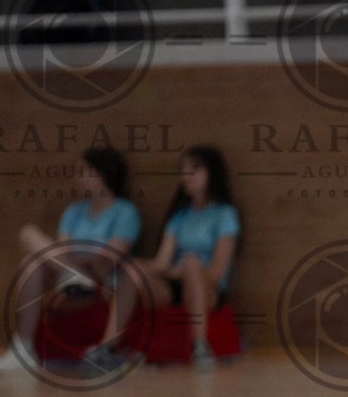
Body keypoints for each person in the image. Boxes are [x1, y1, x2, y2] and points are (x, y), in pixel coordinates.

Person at [87, 144, 238, 372]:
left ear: (212, 173)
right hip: (174, 283)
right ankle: (108, 347)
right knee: (134, 269)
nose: (186, 175)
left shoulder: (224, 215)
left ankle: (200, 347)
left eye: (195, 169)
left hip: (207, 286)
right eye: (183, 170)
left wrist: (187, 268)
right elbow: (162, 263)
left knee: (190, 261)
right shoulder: (179, 216)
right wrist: (138, 266)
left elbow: (217, 272)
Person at [0, 148, 140, 372]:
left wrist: (79, 258)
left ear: (103, 174)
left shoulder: (125, 211)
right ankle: (24, 348)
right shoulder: (74, 211)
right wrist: (70, 261)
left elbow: (111, 255)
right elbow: (63, 248)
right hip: (68, 274)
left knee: (47, 258)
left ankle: (73, 275)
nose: (78, 178)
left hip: (101, 277)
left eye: (83, 172)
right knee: (29, 253)